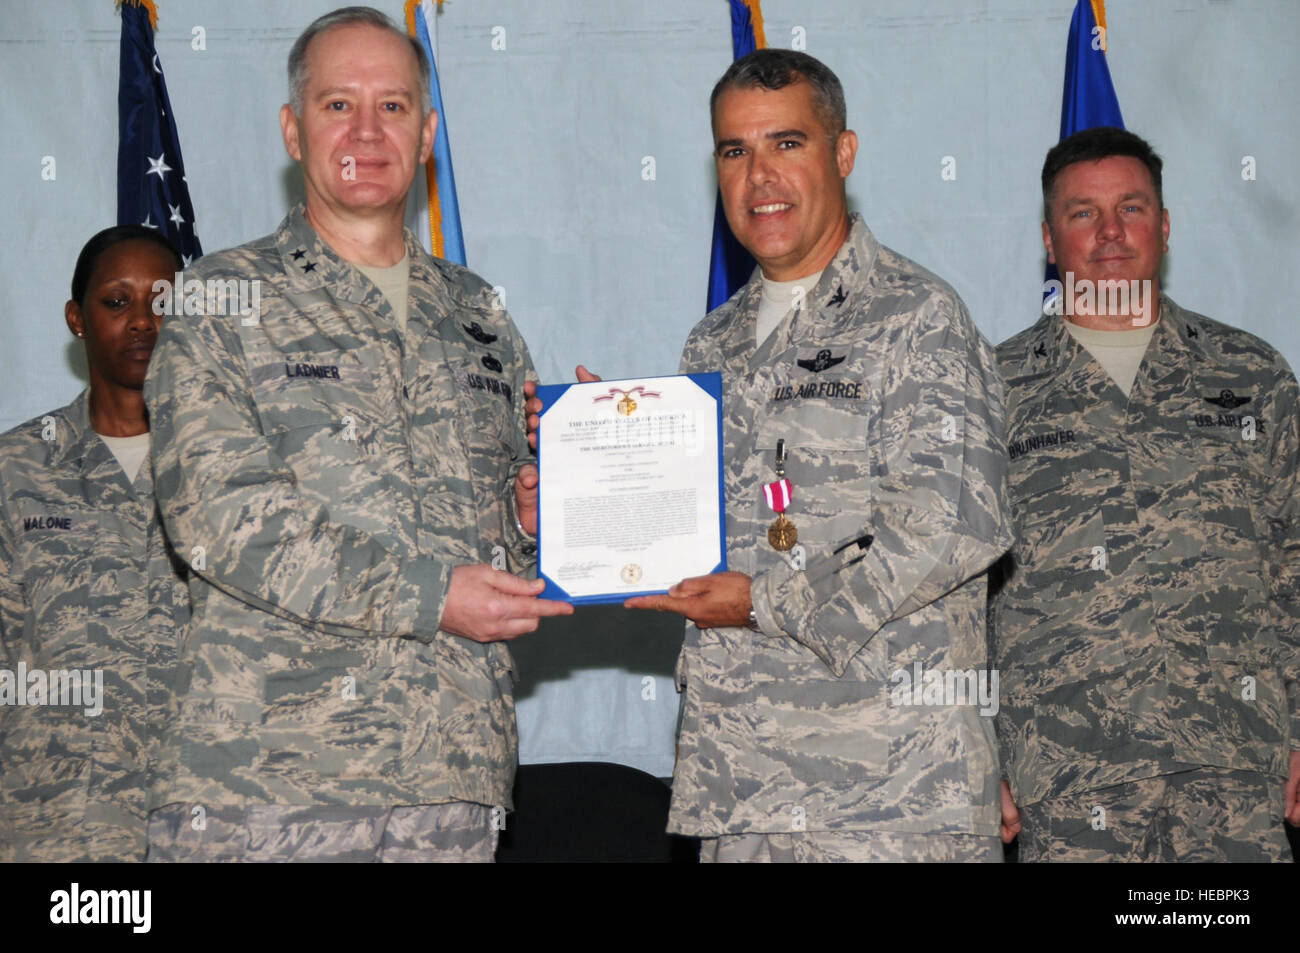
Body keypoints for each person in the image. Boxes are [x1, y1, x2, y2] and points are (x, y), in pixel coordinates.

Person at [142, 6, 571, 863]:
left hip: (452, 780)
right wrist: (429, 595)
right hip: (270, 785)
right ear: (293, 130)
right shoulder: (217, 300)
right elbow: (223, 520)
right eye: (339, 105)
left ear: (427, 133)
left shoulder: (480, 314)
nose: (368, 131)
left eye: (394, 107)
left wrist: (540, 513)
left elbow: (506, 551)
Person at [622, 49, 1013, 861]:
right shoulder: (713, 341)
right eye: (735, 151)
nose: (759, 175)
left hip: (890, 800)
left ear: (842, 153)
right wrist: (601, 468)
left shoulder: (917, 318)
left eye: (786, 143)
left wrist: (765, 601)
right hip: (743, 792)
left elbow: (948, 531)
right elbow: (705, 531)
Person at [992, 126, 1300, 861]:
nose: (1108, 232)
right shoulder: (990, 389)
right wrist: (973, 755)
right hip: (1065, 782)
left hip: (1234, 778)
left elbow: (1294, 559)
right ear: (1048, 236)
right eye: (1081, 212)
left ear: (1163, 227)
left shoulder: (1251, 373)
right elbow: (957, 599)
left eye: (1130, 208)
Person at [0, 225, 188, 861]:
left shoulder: (235, 463)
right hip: (57, 827)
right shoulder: (16, 468)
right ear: (76, 319)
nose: (142, 322)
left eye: (162, 302)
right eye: (116, 302)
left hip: (210, 826)